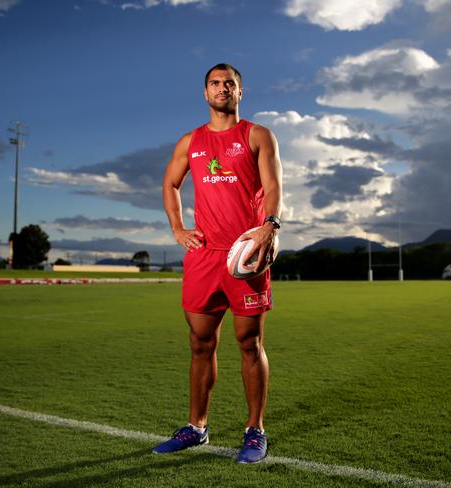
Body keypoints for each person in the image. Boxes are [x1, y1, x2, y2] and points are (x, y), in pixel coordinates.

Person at [154, 63, 282, 464]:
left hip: (245, 257)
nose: (222, 88)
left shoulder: (258, 135)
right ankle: (196, 427)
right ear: (205, 93)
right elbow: (170, 183)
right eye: (215, 83)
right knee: (199, 344)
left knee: (250, 343)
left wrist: (270, 226)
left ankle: (255, 430)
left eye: (230, 83)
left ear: (240, 91)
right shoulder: (190, 141)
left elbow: (275, 185)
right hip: (204, 258)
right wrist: (177, 229)